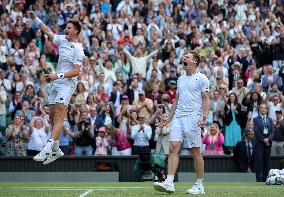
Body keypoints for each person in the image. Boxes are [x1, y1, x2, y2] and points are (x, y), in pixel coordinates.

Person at [29, 11, 85, 164]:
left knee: (60, 115)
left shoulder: (78, 49)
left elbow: (76, 71)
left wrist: (57, 76)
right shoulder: (62, 40)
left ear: (76, 31)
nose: (65, 29)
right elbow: (47, 30)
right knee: (52, 115)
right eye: (65, 27)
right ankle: (56, 149)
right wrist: (35, 18)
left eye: (69, 28)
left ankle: (47, 148)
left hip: (67, 83)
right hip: (57, 82)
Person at [153, 51, 210, 195]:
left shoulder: (202, 78)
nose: (184, 58)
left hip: (194, 117)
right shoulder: (180, 79)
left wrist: (204, 117)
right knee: (173, 147)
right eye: (184, 56)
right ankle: (169, 182)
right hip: (178, 116)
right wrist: (169, 118)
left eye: (187, 57)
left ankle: (199, 185)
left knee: (195, 151)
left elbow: (206, 99)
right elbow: (176, 101)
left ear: (195, 61)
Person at [253, 103, 275, 182]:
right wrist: (263, 139)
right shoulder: (255, 119)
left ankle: (266, 178)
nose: (263, 109)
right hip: (259, 143)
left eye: (264, 108)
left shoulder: (270, 119)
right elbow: (256, 131)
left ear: (267, 110)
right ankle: (259, 179)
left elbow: (272, 131)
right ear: (259, 110)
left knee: (267, 161)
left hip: (268, 143)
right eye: (261, 108)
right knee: (259, 161)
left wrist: (268, 139)